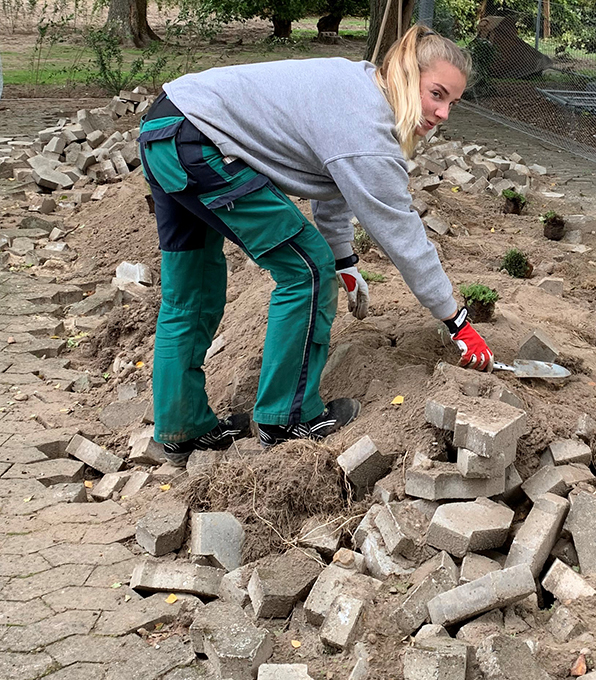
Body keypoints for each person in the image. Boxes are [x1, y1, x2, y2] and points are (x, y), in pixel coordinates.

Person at [138, 25, 494, 466]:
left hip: (165, 128)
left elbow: (334, 188)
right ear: (405, 75)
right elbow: (402, 235)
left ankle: (182, 428)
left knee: (189, 292)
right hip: (200, 143)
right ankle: (286, 420)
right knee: (306, 272)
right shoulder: (366, 126)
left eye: (452, 103)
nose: (442, 113)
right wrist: (456, 319)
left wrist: (345, 261)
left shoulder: (360, 87)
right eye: (436, 94)